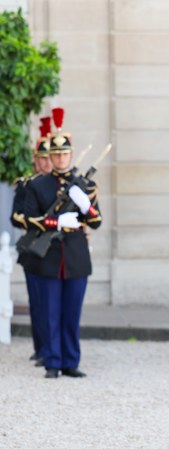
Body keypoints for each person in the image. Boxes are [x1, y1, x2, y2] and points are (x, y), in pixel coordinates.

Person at [22, 107, 102, 379]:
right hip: (48, 255)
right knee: (50, 312)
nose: (59, 158)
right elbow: (30, 219)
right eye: (55, 154)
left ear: (70, 154)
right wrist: (56, 222)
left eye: (64, 153)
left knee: (71, 313)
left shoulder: (84, 186)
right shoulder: (38, 185)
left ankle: (70, 360)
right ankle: (53, 362)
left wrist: (85, 205)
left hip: (76, 255)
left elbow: (97, 221)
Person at [10, 116, 53, 365]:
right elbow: (16, 217)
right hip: (34, 249)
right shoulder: (27, 185)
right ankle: (42, 348)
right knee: (38, 302)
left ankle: (55, 348)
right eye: (42, 158)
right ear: (36, 160)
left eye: (50, 158)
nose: (46, 163)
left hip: (57, 248)